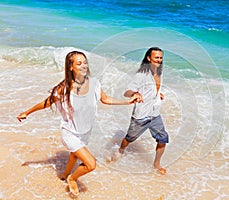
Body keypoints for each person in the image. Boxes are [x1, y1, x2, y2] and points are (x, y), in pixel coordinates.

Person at [17, 51, 141, 197]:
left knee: (74, 156)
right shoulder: (64, 88)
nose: (84, 66)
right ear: (70, 67)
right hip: (69, 132)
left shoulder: (94, 83)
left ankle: (63, 175)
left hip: (84, 132)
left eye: (85, 62)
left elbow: (105, 99)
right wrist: (27, 112)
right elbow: (46, 102)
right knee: (91, 164)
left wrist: (127, 102)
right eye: (79, 63)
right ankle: (72, 178)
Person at [119, 47, 169, 175]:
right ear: (148, 58)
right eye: (156, 57)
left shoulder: (159, 73)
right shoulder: (141, 75)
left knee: (163, 138)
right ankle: (120, 150)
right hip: (141, 115)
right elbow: (127, 91)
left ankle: (156, 164)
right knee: (130, 138)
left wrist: (158, 94)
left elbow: (152, 89)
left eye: (161, 58)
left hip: (155, 114)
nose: (159, 60)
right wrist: (135, 93)